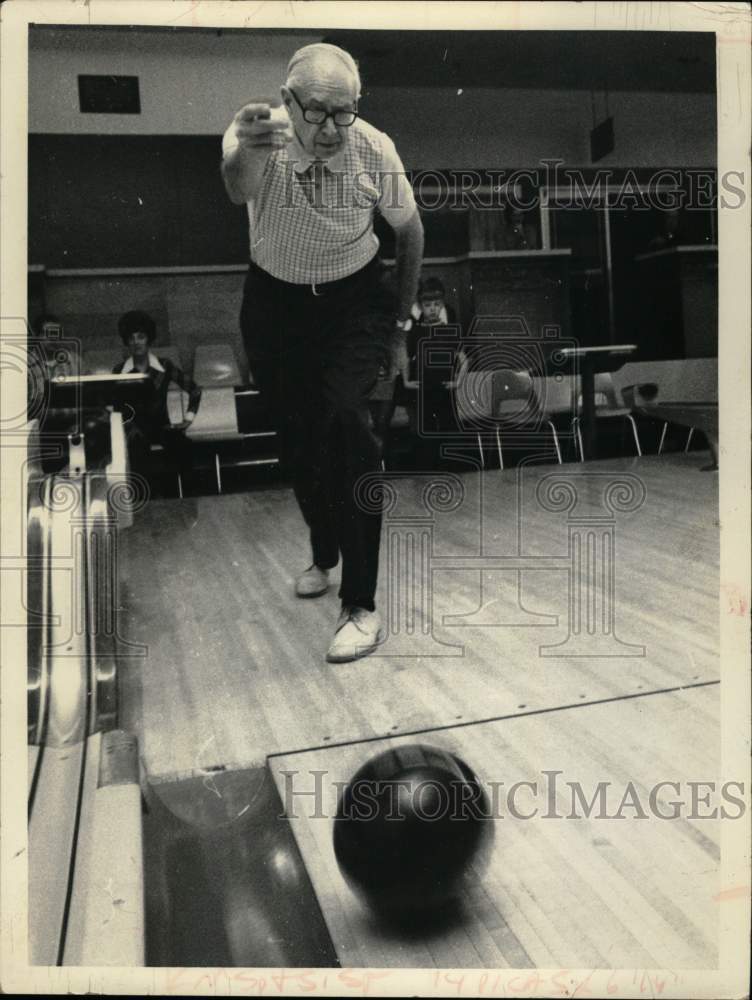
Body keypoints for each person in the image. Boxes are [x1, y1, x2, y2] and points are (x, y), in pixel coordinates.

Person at [221, 42, 424, 663]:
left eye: (347, 112)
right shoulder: (257, 134)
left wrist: (398, 323)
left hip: (357, 301)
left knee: (350, 426)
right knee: (300, 446)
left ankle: (360, 605)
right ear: (289, 102)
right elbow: (237, 188)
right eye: (319, 113)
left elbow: (410, 231)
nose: (334, 128)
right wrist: (248, 149)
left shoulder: (375, 147)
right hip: (276, 305)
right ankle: (322, 550)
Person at [112, 310, 201, 491]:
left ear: (149, 339)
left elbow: (195, 390)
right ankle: (146, 504)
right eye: (132, 338)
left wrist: (187, 420)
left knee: (184, 446)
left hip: (162, 426)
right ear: (126, 342)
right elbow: (116, 405)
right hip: (134, 429)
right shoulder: (119, 370)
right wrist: (128, 427)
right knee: (137, 452)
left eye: (141, 337)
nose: (136, 342)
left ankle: (185, 499)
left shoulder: (165, 366)